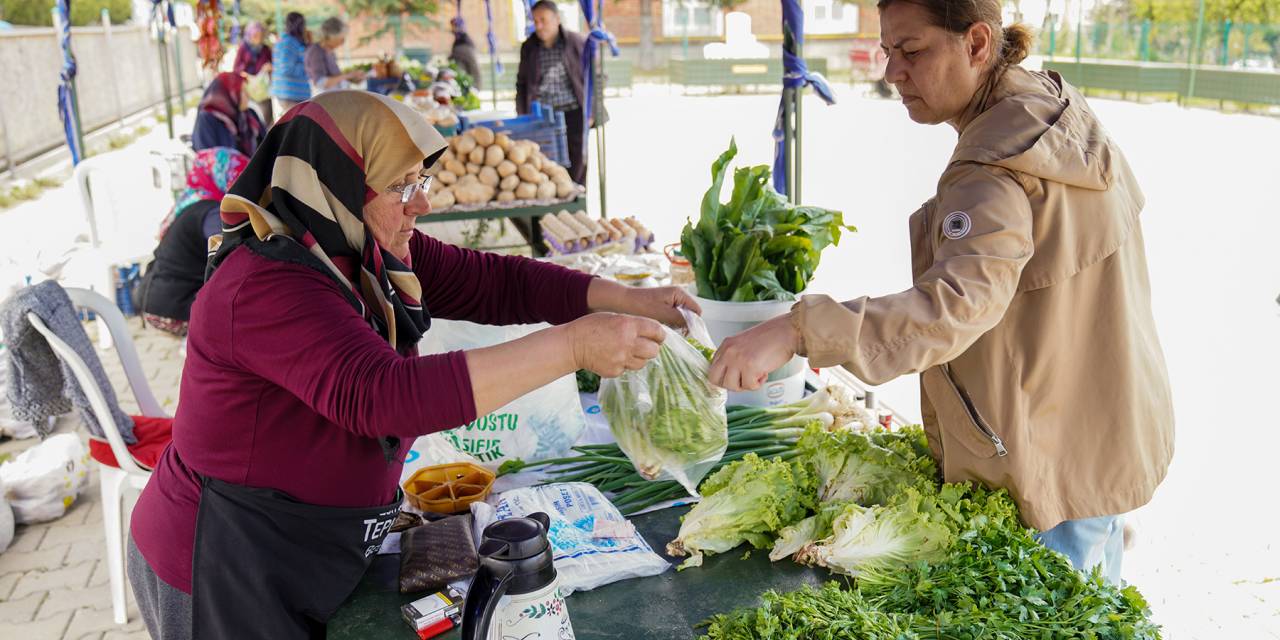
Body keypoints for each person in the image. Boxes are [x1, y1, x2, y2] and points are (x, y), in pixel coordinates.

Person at [125, 90, 698, 638]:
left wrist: (628, 297)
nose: (421, 204)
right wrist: (573, 347)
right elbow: (384, 397)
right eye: (401, 185)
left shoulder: (355, 248)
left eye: (418, 180)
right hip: (224, 561)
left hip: (304, 546)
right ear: (336, 184)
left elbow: (495, 281)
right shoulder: (261, 287)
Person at [708, 0, 1173, 585]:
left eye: (913, 50)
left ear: (977, 44)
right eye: (887, 51)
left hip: (1050, 460)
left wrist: (797, 329)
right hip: (1101, 431)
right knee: (1098, 603)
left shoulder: (995, 167)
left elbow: (956, 305)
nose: (892, 72)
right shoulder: (1052, 112)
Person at [137, 147, 250, 337]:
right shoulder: (212, 212)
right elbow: (233, 250)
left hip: (155, 300)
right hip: (173, 307)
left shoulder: (192, 203)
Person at [516, 0, 606, 186]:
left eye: (543, 20)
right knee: (546, 168)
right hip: (542, 117)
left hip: (574, 113)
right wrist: (522, 114)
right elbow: (522, 83)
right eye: (535, 21)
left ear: (557, 19)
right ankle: (551, 212)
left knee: (577, 166)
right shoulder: (529, 47)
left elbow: (596, 78)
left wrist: (591, 111)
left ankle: (577, 208)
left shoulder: (578, 42)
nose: (539, 26)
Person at [190, 72, 266, 156]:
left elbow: (267, 145)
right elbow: (208, 158)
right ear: (228, 94)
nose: (248, 95)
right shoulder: (206, 120)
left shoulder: (249, 115)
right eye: (242, 92)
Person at [306, 16, 365, 95]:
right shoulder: (316, 52)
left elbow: (336, 78)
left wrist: (353, 78)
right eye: (341, 38)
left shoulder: (330, 52)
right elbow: (320, 83)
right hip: (323, 101)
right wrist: (348, 75)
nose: (343, 41)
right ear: (331, 36)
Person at [270, 12, 310, 113]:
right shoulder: (288, 43)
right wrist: (307, 67)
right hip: (290, 95)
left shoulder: (292, 41)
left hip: (294, 94)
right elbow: (286, 69)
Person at [233, 21, 273, 122]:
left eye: (260, 35)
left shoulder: (266, 49)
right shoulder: (243, 48)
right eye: (255, 35)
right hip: (248, 90)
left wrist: (269, 68)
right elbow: (236, 68)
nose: (258, 38)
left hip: (263, 91)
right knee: (251, 120)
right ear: (249, 35)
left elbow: (273, 65)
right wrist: (243, 73)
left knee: (266, 119)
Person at [448, 16, 482, 88]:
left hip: (471, 83)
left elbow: (473, 69)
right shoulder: (460, 40)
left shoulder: (464, 41)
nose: (452, 28)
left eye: (453, 26)